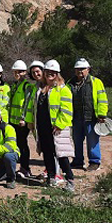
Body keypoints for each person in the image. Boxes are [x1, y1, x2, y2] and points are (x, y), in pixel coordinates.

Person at [33, 60, 76, 191]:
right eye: (47, 72)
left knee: (62, 154)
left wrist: (59, 124)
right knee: (47, 153)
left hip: (57, 128)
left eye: (53, 73)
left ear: (57, 74)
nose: (50, 75)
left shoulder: (63, 90)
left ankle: (70, 180)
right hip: (43, 127)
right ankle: (51, 177)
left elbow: (67, 111)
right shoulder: (41, 90)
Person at [68, 58, 109, 172]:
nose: (80, 71)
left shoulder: (96, 82)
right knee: (77, 140)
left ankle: (94, 162)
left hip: (91, 117)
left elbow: (102, 99)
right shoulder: (69, 83)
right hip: (76, 117)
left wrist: (102, 114)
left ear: (88, 69)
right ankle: (77, 161)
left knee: (92, 140)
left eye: (82, 69)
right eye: (77, 69)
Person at [8, 60, 36, 178]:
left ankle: (25, 168)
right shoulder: (15, 85)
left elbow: (27, 103)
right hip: (13, 121)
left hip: (21, 122)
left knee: (23, 145)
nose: (18, 74)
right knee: (17, 144)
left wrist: (24, 118)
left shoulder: (27, 86)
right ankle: (19, 167)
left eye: (20, 72)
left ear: (25, 72)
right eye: (16, 72)